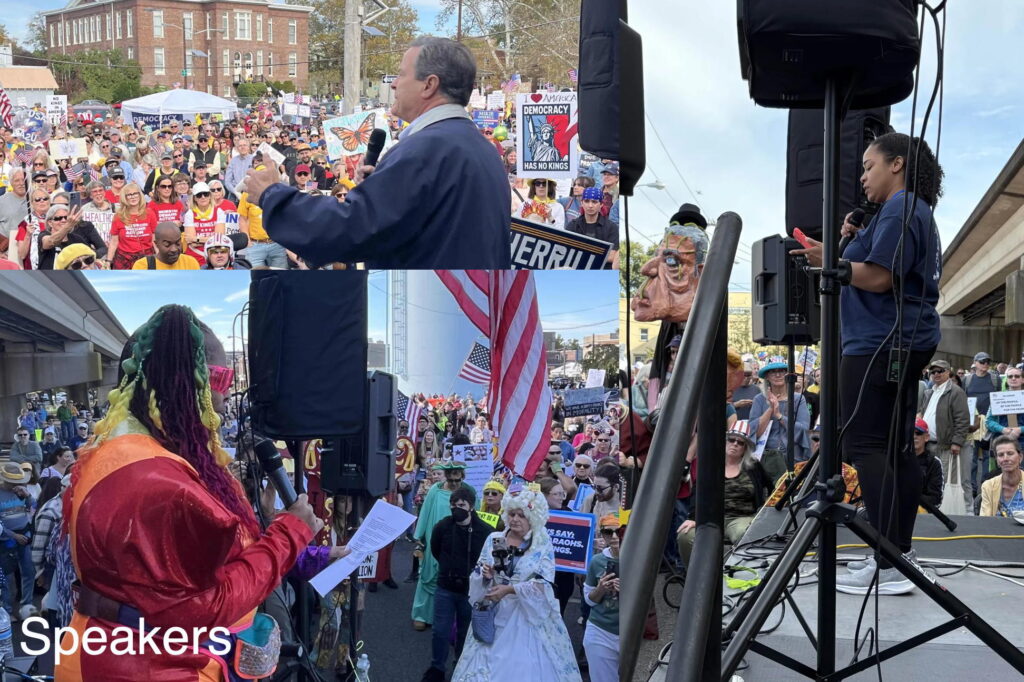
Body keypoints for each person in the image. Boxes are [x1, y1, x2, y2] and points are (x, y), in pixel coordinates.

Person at [56, 304, 320, 680]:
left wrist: (312, 555)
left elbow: (212, 567)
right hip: (147, 667)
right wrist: (291, 532)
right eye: (224, 379)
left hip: (135, 654)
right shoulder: (157, 482)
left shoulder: (138, 454)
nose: (229, 396)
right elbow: (207, 606)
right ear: (190, 382)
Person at [793, 132, 944, 596]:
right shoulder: (905, 213)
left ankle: (891, 559)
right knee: (896, 447)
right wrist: (845, 244)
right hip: (897, 342)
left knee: (866, 445)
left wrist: (830, 260)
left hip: (878, 344)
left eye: (868, 166)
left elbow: (878, 278)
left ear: (896, 164)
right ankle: (895, 557)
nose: (861, 177)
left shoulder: (901, 208)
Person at [246, 37, 511, 269]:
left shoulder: (426, 149)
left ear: (429, 85)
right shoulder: (480, 148)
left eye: (401, 74)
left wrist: (272, 195)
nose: (393, 84)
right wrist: (378, 187)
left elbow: (350, 230)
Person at [451, 488, 582, 682]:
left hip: (527, 616)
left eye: (521, 515)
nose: (515, 519)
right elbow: (478, 575)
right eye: (512, 514)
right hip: (493, 614)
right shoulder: (495, 539)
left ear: (533, 518)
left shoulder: (541, 543)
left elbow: (545, 584)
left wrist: (511, 589)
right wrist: (486, 576)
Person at [421, 486, 492, 682]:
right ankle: (437, 668)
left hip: (471, 591)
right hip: (445, 587)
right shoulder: (442, 527)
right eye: (453, 505)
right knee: (440, 631)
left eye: (461, 505)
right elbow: (435, 550)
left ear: (471, 506)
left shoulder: (485, 531)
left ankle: (461, 668)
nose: (456, 509)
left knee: (464, 633)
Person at [676, 421, 770, 566]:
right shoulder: (711, 464)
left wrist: (765, 515)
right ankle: (693, 576)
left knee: (743, 533)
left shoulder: (754, 466)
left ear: (745, 448)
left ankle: (739, 575)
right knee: (685, 535)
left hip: (741, 518)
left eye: (741, 442)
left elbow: (772, 487)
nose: (735, 444)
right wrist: (694, 518)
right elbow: (698, 492)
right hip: (711, 518)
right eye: (731, 439)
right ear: (725, 442)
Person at [412, 460, 474, 630]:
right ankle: (421, 614)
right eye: (451, 480)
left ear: (462, 477)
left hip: (459, 540)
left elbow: (475, 514)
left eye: (457, 480)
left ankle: (446, 619)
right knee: (428, 575)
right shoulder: (436, 490)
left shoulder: (469, 491)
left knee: (452, 576)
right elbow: (425, 511)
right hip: (435, 537)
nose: (454, 483)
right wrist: (419, 535)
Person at [918, 359, 971, 513]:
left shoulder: (956, 392)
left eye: (940, 371)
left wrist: (957, 442)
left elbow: (962, 419)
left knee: (948, 480)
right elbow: (922, 412)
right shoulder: (929, 392)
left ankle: (956, 512)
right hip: (928, 444)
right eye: (933, 372)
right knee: (932, 480)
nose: (936, 374)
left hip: (946, 446)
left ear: (948, 372)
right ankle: (934, 510)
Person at [748, 356, 811, 486]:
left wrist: (779, 416)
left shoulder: (799, 398)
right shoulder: (759, 399)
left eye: (782, 371)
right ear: (767, 376)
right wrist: (770, 409)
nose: (778, 374)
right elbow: (754, 432)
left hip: (794, 458)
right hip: (767, 459)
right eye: (773, 371)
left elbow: (803, 429)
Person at [583, 513, 622, 682]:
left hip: (631, 632)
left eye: (619, 531)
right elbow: (589, 600)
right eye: (608, 532)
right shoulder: (597, 561)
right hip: (601, 630)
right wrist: (600, 589)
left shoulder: (642, 558)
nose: (614, 537)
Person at [0, 462, 39, 619]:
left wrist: (28, 496)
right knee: (8, 577)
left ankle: (26, 605)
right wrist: (13, 535)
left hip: (24, 535)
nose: (18, 485)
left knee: (29, 571)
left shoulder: (23, 492)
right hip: (5, 540)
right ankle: (7, 610)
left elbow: (36, 508)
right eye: (14, 483)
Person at [565, 186, 619, 269]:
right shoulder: (572, 225)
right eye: (587, 201)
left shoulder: (611, 227)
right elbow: (566, 251)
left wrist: (581, 253)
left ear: (601, 204)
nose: (590, 205)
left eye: (594, 202)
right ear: (582, 203)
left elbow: (612, 256)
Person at [108, 183, 157, 269]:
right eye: (129, 195)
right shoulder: (118, 216)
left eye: (135, 193)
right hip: (124, 259)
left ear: (140, 195)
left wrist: (160, 258)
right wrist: (108, 261)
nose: (133, 197)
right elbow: (114, 241)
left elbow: (154, 239)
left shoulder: (150, 213)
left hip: (147, 257)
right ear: (124, 197)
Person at [979, 435, 1024, 517]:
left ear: (1020, 457)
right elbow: (984, 521)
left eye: (1010, 454)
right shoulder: (988, 486)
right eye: (1001, 455)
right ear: (997, 460)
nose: (1005, 458)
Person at [132, 221, 201, 270]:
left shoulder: (190, 263)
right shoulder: (143, 266)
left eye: (177, 243)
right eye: (167, 245)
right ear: (156, 244)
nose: (174, 249)